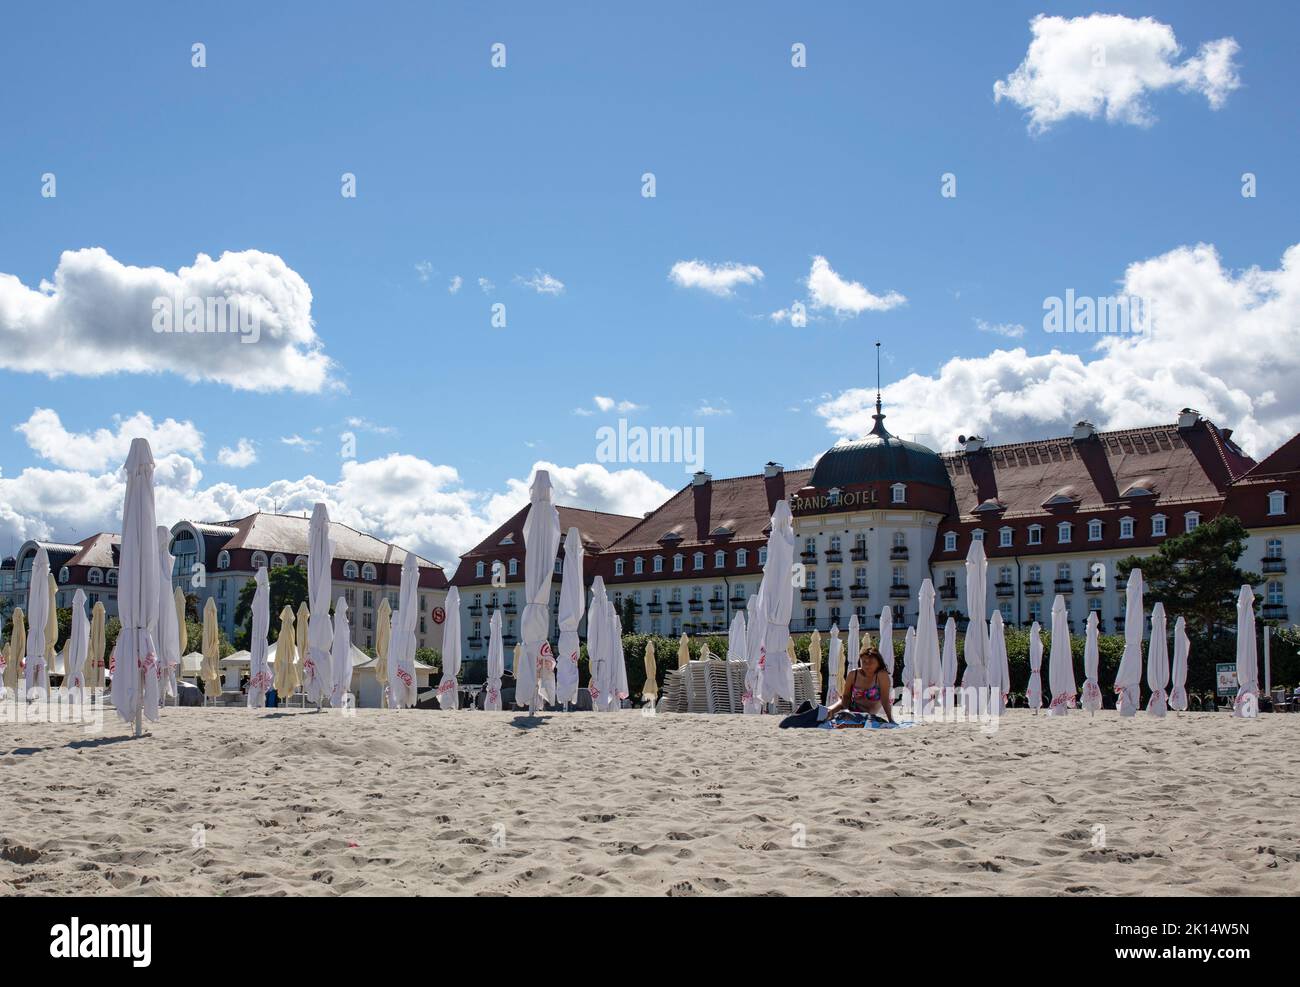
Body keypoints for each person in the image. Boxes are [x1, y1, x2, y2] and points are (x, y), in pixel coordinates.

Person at [780, 645, 894, 728]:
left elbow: (884, 700)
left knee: (827, 716)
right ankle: (807, 711)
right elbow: (846, 697)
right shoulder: (853, 674)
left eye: (871, 662)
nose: (867, 665)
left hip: (864, 714)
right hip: (849, 707)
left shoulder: (881, 675)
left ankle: (807, 710)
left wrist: (891, 720)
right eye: (864, 662)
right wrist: (836, 710)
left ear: (878, 662)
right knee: (827, 714)